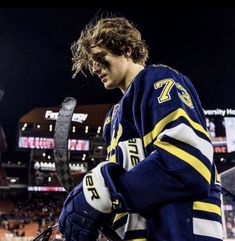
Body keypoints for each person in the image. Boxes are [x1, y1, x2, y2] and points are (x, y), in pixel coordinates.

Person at [58, 16, 223, 241]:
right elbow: (128, 187)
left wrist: (105, 193)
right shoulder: (112, 117)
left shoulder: (158, 80)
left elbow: (189, 163)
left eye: (100, 58)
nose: (95, 68)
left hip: (178, 232)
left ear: (125, 49)